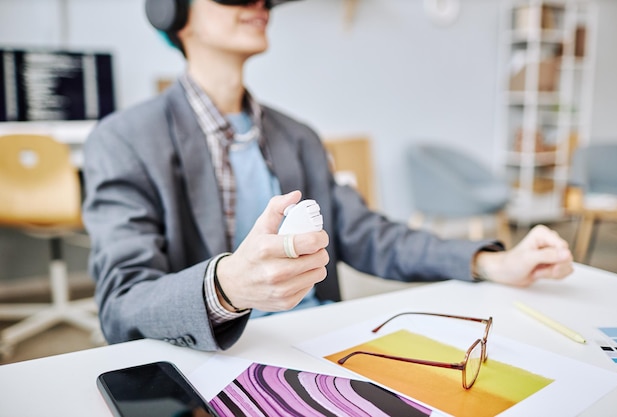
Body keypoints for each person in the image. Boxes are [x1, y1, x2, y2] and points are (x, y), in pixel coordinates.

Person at [82, 0, 573, 352]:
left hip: (318, 346)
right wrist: (226, 286)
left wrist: (489, 262)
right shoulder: (124, 139)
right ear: (175, 12)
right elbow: (123, 301)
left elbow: (366, 234)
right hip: (221, 357)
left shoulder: (297, 136)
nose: (260, 4)